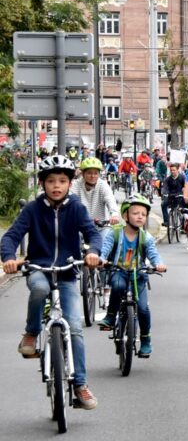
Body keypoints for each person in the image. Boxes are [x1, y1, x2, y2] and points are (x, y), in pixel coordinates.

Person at [1, 155, 103, 409]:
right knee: (39, 288)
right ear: (42, 184)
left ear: (70, 184)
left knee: (76, 328)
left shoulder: (77, 208)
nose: (56, 186)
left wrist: (93, 253)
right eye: (50, 181)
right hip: (39, 267)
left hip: (67, 272)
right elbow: (12, 235)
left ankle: (80, 384)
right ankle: (31, 333)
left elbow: (91, 233)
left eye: (62, 181)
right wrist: (9, 257)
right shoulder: (32, 210)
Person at [98, 195, 167, 358]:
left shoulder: (146, 237)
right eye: (135, 213)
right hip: (119, 271)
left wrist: (159, 264)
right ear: (125, 216)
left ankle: (145, 339)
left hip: (139, 276)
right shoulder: (114, 233)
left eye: (143, 214)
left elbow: (153, 254)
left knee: (143, 309)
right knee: (118, 286)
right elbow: (105, 250)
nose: (140, 217)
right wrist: (101, 259)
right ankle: (110, 315)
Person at [70, 157, 121, 226]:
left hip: (100, 226)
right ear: (82, 174)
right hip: (80, 226)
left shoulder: (103, 185)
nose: (93, 176)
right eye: (89, 173)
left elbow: (110, 199)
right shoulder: (76, 184)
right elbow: (70, 198)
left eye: (96, 173)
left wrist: (114, 214)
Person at [160, 162, 186, 229]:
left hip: (179, 196)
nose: (172, 172)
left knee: (182, 209)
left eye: (174, 170)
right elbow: (164, 187)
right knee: (163, 204)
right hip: (171, 196)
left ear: (177, 170)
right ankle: (166, 221)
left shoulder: (182, 177)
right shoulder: (168, 179)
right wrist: (164, 193)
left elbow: (186, 186)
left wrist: (185, 192)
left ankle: (183, 225)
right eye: (171, 170)